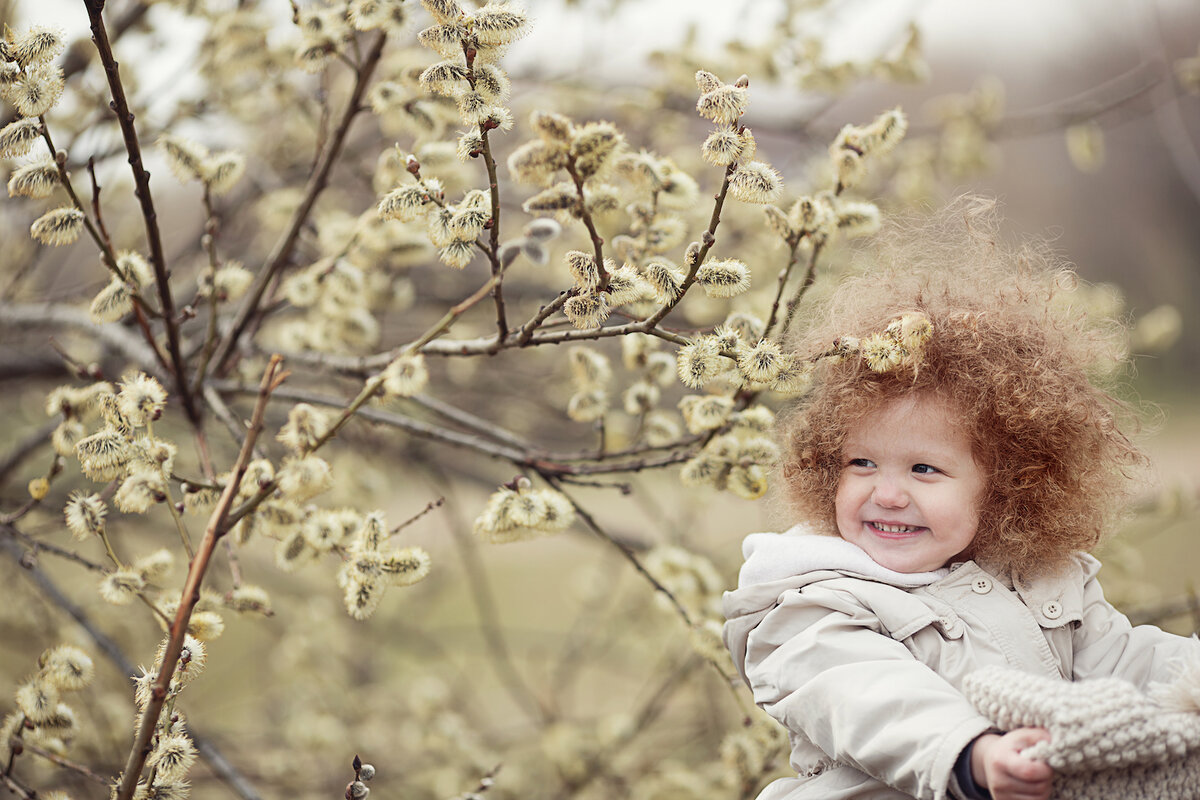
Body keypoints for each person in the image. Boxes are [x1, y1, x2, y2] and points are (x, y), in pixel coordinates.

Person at [722, 199, 1200, 800]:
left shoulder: (1047, 583)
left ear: (1005, 488)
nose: (886, 493)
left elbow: (1132, 664)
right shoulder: (811, 604)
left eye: (925, 469)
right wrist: (970, 754)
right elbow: (864, 695)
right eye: (861, 463)